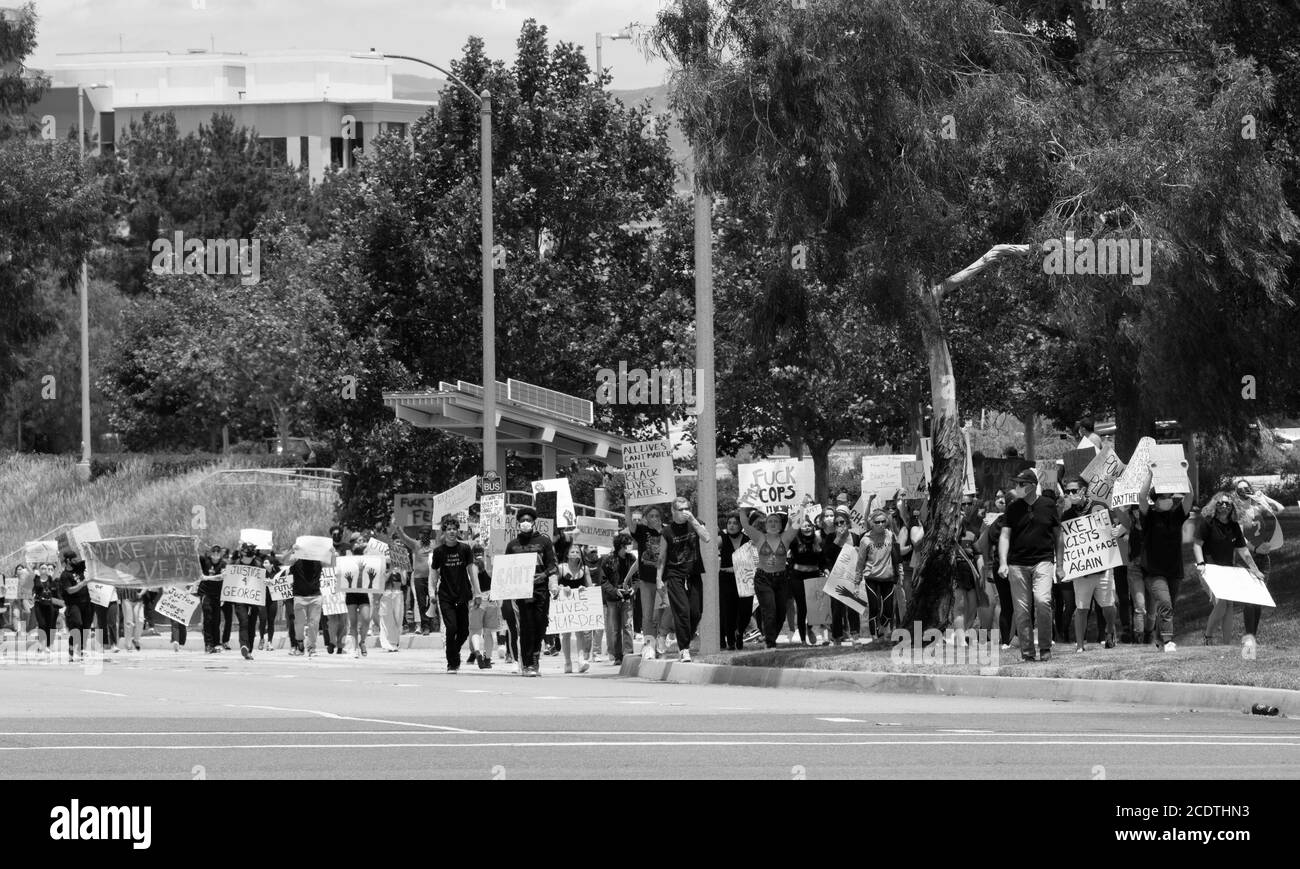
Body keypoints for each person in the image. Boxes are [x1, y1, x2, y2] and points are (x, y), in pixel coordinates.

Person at [998, 469, 1059, 662]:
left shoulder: (1049, 505)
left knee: (1043, 601)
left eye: (1021, 484)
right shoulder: (1013, 508)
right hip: (1017, 565)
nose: (1017, 487)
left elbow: (1059, 536)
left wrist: (1060, 565)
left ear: (1032, 485)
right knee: (1022, 610)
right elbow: (1005, 536)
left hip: (1043, 561)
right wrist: (1002, 562)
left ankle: (1045, 647)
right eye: (1017, 484)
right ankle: (1027, 653)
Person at [1194, 494, 1266, 652]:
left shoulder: (1233, 526)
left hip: (1227, 571)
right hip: (1209, 569)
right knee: (1222, 603)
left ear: (1232, 506)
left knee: (1229, 606)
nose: (1224, 506)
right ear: (1215, 504)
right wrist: (1200, 563)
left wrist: (1255, 570)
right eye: (1221, 503)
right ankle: (1208, 637)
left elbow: (1244, 551)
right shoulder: (1207, 522)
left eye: (1228, 504)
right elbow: (1197, 545)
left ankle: (1226, 645)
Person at [1057, 487, 1123, 652]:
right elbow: (1063, 541)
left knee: (1108, 606)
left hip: (1104, 567)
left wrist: (1118, 531)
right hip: (1082, 571)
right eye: (1067, 491)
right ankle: (1080, 645)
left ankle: (1109, 629)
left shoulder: (1100, 507)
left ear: (1083, 490)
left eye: (1074, 490)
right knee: (1081, 608)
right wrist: (1062, 566)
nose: (1070, 494)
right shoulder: (1067, 516)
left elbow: (1114, 527)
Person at [505, 506, 558, 677]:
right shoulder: (513, 545)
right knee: (526, 626)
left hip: (541, 589)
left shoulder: (544, 541)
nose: (525, 523)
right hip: (522, 591)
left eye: (528, 520)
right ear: (518, 523)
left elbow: (553, 565)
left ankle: (536, 654)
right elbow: (505, 569)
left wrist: (543, 576)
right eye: (522, 521)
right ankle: (527, 663)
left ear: (534, 522)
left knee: (541, 623)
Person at [1137, 474, 1187, 652]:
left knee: (1169, 606)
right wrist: (1151, 474)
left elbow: (1190, 497)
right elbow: (1141, 497)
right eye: (1163, 497)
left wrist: (1183, 473)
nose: (1168, 500)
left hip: (1174, 569)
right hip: (1154, 571)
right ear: (1156, 500)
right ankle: (1167, 641)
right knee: (1165, 603)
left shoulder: (1177, 515)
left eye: (1170, 497)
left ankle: (1158, 640)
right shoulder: (1149, 516)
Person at [737, 506, 799, 649]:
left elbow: (797, 523)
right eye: (770, 521)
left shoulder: (786, 537)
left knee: (781, 613)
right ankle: (770, 644)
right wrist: (742, 509)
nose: (773, 524)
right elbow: (745, 525)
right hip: (763, 579)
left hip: (782, 579)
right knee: (769, 610)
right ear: (765, 524)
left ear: (780, 525)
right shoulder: (759, 537)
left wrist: (802, 505)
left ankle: (770, 638)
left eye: (776, 521)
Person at [432, 514, 481, 674]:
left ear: (458, 531)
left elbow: (471, 571)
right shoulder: (439, 552)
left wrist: (477, 592)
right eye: (448, 529)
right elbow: (433, 573)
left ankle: (454, 651)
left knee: (464, 631)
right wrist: (431, 591)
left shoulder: (465, 549)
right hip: (446, 595)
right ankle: (452, 662)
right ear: (444, 532)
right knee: (451, 628)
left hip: (463, 594)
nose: (452, 532)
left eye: (454, 529)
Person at [627, 505, 670, 659]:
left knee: (666, 610)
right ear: (645, 518)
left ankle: (661, 638)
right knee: (647, 615)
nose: (654, 518)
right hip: (646, 580)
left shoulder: (667, 531)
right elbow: (629, 522)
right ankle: (649, 645)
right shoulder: (642, 531)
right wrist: (628, 503)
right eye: (651, 516)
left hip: (665, 579)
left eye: (657, 515)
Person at [855, 509, 904, 641]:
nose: (881, 524)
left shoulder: (890, 535)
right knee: (874, 607)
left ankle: (882, 629)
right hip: (871, 577)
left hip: (888, 577)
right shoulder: (865, 540)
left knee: (888, 611)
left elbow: (896, 555)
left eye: (883, 521)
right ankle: (874, 636)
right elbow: (860, 562)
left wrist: (900, 573)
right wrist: (856, 582)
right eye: (877, 522)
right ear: (872, 523)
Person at [822, 506, 861, 646]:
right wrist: (838, 539)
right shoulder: (831, 537)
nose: (839, 525)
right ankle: (837, 636)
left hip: (851, 575)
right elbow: (827, 555)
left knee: (852, 606)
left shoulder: (855, 537)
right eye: (837, 523)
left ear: (848, 523)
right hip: (836, 575)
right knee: (837, 608)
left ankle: (855, 635)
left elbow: (862, 556)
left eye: (842, 522)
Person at [599, 532, 638, 664]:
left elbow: (637, 576)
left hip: (627, 598)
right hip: (612, 599)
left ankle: (628, 655)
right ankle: (618, 656)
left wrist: (634, 588)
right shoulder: (608, 559)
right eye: (628, 543)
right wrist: (615, 591)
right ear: (621, 545)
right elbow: (603, 581)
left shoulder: (632, 558)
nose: (630, 546)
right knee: (615, 629)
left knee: (627, 626)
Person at [717, 513, 751, 650]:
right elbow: (709, 549)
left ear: (741, 525)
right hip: (726, 579)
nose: (731, 525)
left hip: (745, 579)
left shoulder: (748, 540)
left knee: (746, 611)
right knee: (728, 611)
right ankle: (730, 640)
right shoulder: (722, 539)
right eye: (729, 523)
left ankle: (740, 632)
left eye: (735, 523)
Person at [558, 545, 593, 673]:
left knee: (580, 633)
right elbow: (554, 586)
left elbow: (590, 587)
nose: (575, 553)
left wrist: (584, 589)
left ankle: (581, 660)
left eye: (577, 551)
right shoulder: (561, 568)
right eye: (572, 551)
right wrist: (562, 587)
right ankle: (567, 662)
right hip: (564, 604)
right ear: (567, 555)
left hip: (578, 605)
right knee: (566, 634)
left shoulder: (585, 569)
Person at [787, 514, 822, 645]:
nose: (806, 528)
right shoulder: (795, 541)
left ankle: (809, 628)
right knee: (802, 608)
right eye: (804, 526)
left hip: (814, 576)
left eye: (809, 525)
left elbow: (822, 559)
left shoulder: (818, 540)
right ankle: (802, 640)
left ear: (813, 527)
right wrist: (800, 511)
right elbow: (789, 534)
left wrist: (825, 569)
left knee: (814, 608)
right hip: (798, 578)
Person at [395, 526, 435, 635]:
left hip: (432, 578)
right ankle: (425, 626)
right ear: (420, 535)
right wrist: (398, 529)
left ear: (429, 535)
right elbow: (404, 538)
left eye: (426, 534)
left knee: (432, 601)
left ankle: (429, 623)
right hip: (418, 579)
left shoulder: (434, 545)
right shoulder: (416, 544)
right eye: (422, 534)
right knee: (421, 603)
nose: (424, 536)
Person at [467, 543, 500, 669]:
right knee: (488, 633)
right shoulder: (490, 564)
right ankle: (487, 659)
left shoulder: (470, 565)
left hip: (476, 599)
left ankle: (477, 653)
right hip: (491, 599)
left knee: (475, 631)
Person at [229, 542, 264, 660]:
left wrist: (267, 581)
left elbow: (264, 580)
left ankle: (249, 650)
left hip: (253, 599)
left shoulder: (258, 566)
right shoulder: (234, 565)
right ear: (241, 556)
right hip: (239, 599)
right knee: (243, 622)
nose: (248, 560)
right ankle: (243, 645)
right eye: (246, 558)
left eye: (250, 558)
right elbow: (229, 582)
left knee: (252, 624)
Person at [58, 555, 93, 661]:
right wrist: (83, 583)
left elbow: (90, 559)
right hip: (73, 604)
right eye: (73, 560)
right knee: (76, 625)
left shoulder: (79, 568)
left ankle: (82, 649)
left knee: (86, 627)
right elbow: (70, 590)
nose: (76, 561)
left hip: (86, 602)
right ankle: (72, 648)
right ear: (68, 561)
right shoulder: (65, 575)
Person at [289, 555, 323, 657]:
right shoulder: (296, 561)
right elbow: (286, 560)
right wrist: (293, 551)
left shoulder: (318, 561)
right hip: (299, 597)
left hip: (315, 597)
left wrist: (332, 553)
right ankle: (300, 645)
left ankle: (312, 648)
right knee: (299, 624)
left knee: (314, 624)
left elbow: (332, 564)